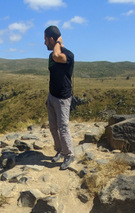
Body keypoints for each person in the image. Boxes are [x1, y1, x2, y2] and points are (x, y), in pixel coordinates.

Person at [44, 25, 75, 170]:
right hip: (52, 96)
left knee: (63, 128)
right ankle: (60, 151)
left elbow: (57, 56)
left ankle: (69, 154)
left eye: (46, 40)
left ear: (51, 39)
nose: (44, 43)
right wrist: (49, 97)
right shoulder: (51, 56)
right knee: (53, 127)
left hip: (62, 98)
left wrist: (58, 42)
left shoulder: (68, 55)